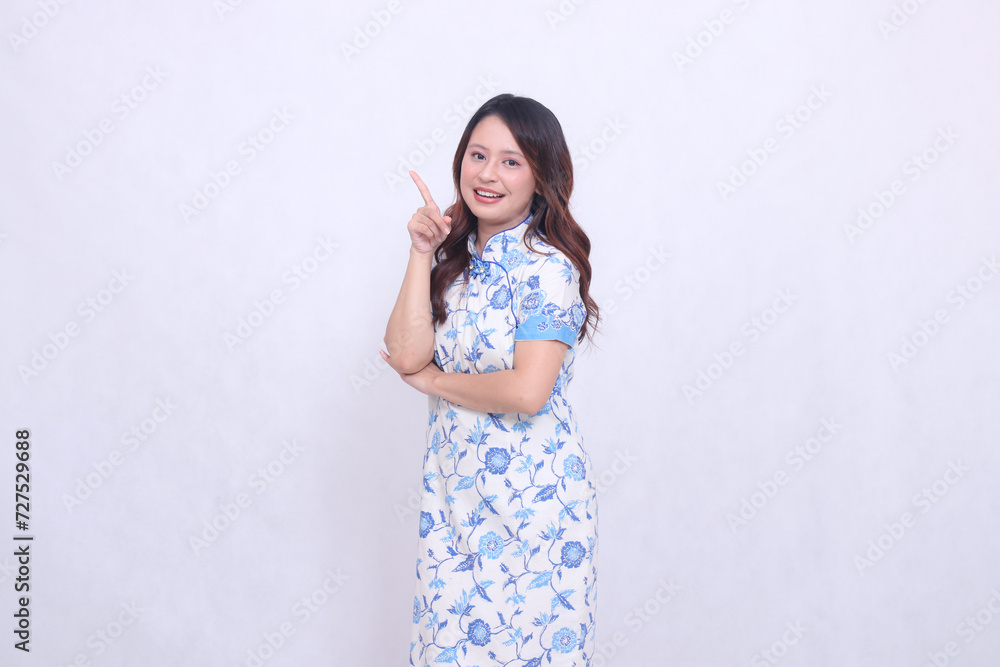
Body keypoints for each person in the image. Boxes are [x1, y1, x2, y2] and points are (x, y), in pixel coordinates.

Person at [381, 93, 601, 666]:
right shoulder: (457, 261)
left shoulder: (547, 268)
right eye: (478, 155)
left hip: (534, 511)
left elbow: (528, 391)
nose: (488, 174)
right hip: (455, 504)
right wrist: (420, 252)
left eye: (511, 161)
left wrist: (435, 384)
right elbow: (406, 355)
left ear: (541, 176)